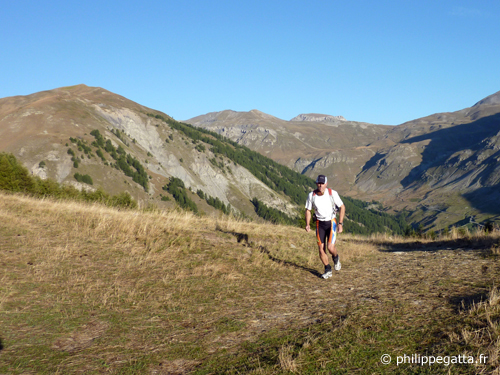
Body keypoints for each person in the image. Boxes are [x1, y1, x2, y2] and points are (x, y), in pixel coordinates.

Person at [305, 174, 345, 279]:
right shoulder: (311, 195)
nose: (320, 185)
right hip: (319, 223)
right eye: (319, 183)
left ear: (326, 184)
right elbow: (308, 210)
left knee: (330, 247)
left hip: (331, 222)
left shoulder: (332, 193)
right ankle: (327, 269)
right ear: (316, 183)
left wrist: (340, 223)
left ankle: (335, 257)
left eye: (322, 183)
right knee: (321, 249)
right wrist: (308, 224)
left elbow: (342, 207)